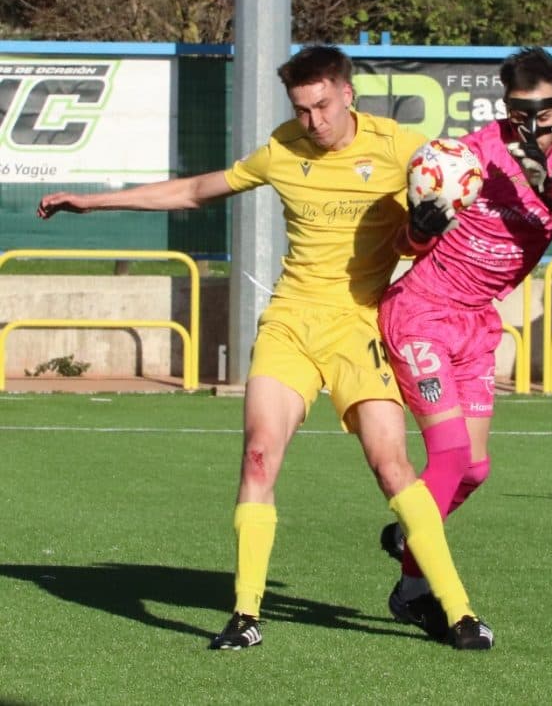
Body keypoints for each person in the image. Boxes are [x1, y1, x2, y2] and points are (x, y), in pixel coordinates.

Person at [36, 45, 493, 651]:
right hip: (290, 326)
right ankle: (245, 614)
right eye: (302, 109)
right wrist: (94, 201)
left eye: (322, 106)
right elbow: (196, 190)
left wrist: (428, 231)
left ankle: (459, 611)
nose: (313, 121)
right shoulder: (282, 148)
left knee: (392, 466)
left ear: (347, 93)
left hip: (358, 327)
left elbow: (437, 217)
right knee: (258, 455)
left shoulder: (401, 148)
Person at [377, 47, 552, 615]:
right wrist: (419, 227)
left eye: (544, 114)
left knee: (475, 469)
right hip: (423, 312)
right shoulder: (470, 154)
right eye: (520, 114)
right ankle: (413, 588)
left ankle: (411, 531)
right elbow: (408, 244)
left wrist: (545, 183)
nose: (533, 127)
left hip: (477, 324)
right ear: (505, 108)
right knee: (450, 454)